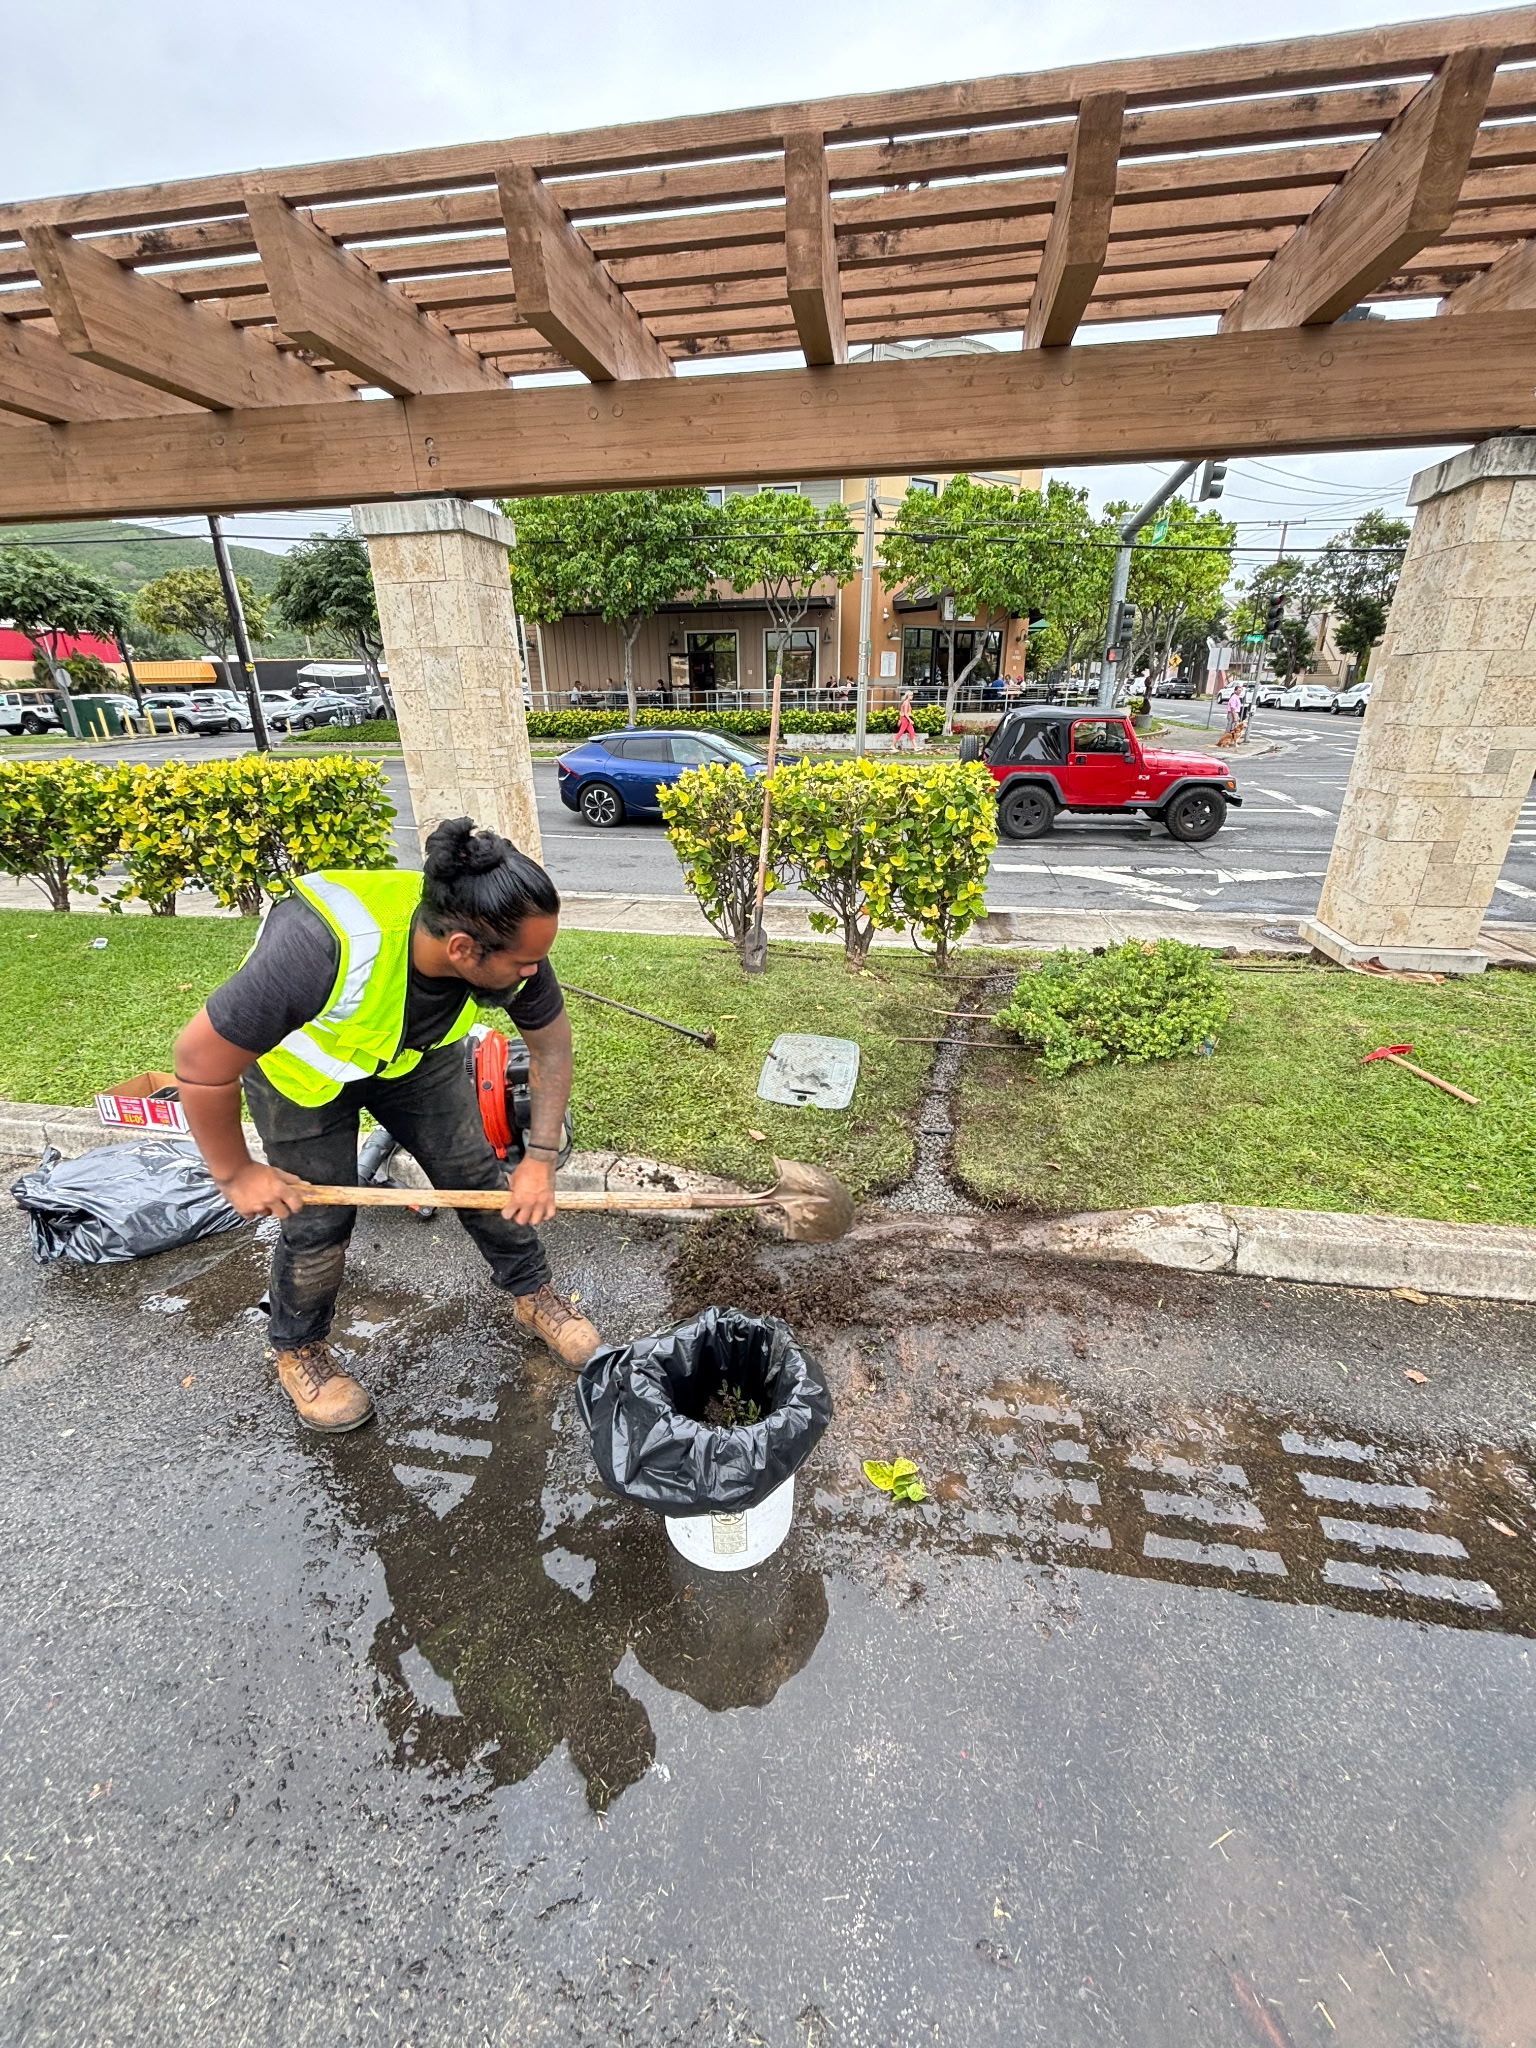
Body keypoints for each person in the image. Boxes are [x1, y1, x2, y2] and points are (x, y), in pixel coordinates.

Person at [172, 819, 601, 1434]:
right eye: (524, 963)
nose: (534, 973)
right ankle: (299, 1350)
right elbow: (198, 1061)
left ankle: (535, 1296)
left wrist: (538, 1159)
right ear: (462, 950)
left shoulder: (501, 933)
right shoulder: (317, 948)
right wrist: (235, 1171)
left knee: (476, 1176)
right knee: (318, 1218)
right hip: (304, 1076)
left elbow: (552, 1049)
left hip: (412, 1060)